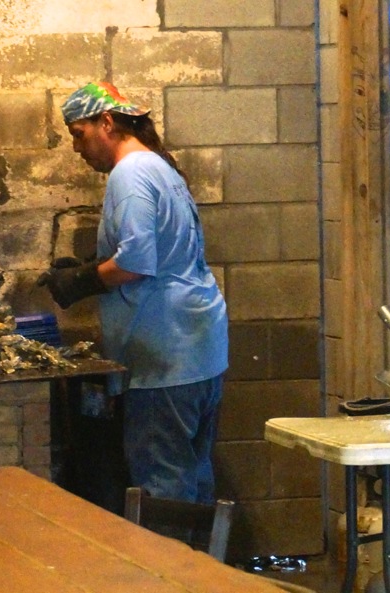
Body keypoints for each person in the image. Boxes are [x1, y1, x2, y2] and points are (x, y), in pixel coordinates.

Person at [37, 81, 228, 504]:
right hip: (199, 349)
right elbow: (155, 250)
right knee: (192, 481)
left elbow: (135, 263)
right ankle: (203, 569)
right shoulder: (158, 167)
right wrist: (89, 266)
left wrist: (81, 282)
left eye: (78, 134)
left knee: (163, 490)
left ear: (106, 122)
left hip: (166, 357)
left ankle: (173, 570)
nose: (76, 148)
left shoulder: (131, 173)